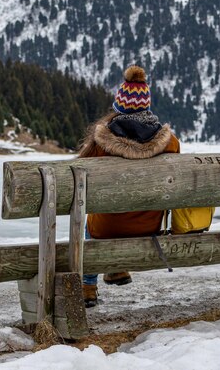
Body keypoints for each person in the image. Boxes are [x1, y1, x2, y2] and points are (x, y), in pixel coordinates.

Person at [77, 65, 180, 307]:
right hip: (149, 224)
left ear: (118, 107)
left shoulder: (101, 142)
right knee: (127, 209)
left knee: (93, 221)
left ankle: (87, 287)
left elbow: (79, 180)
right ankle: (116, 268)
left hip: (108, 226)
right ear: (147, 106)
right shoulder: (170, 143)